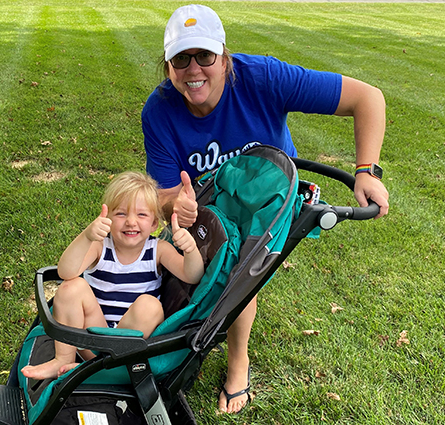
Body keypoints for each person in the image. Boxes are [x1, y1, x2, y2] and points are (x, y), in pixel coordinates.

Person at [141, 4, 390, 414]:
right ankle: (176, 334)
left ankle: (238, 363)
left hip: (272, 195)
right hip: (214, 201)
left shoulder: (264, 78)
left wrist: (367, 171)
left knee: (241, 266)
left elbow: (368, 98)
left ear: (224, 57)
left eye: (204, 56)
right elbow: (166, 193)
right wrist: (176, 205)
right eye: (180, 59)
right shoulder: (159, 109)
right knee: (184, 260)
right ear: (168, 66)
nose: (193, 69)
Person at [21, 172, 205, 380]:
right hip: (91, 339)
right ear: (107, 219)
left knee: (150, 306)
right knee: (70, 287)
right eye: (121, 214)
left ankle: (99, 368)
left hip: (126, 346)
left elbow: (193, 275)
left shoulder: (158, 250)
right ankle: (64, 359)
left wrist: (190, 250)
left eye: (142, 215)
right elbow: (65, 272)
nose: (131, 222)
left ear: (155, 224)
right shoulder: (100, 246)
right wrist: (86, 236)